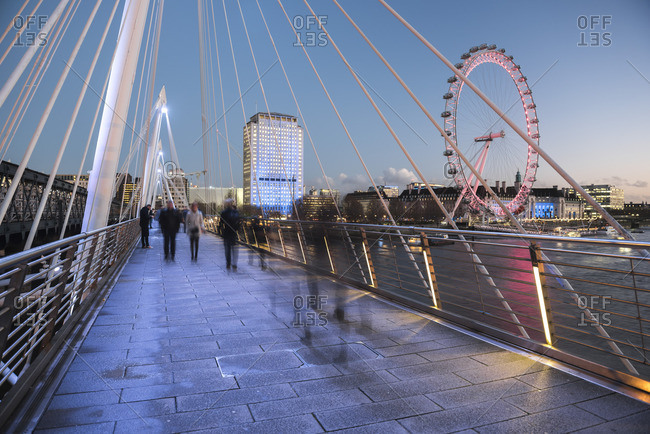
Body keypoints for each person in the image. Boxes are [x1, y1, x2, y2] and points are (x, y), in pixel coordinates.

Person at [219, 199, 240, 270]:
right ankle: (234, 263)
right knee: (234, 249)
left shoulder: (224, 212)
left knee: (227, 249)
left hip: (227, 232)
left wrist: (221, 231)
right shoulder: (236, 212)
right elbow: (239, 221)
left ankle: (228, 263)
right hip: (234, 232)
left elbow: (221, 222)